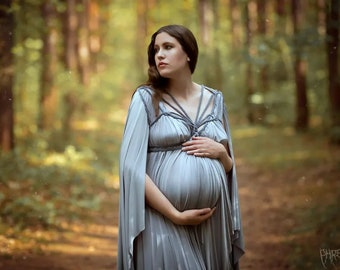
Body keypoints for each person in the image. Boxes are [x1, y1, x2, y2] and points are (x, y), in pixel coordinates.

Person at [117, 24, 244, 270]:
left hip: (212, 223)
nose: (159, 55)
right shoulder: (145, 98)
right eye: (156, 50)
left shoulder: (215, 100)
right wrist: (175, 214)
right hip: (161, 220)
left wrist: (221, 154)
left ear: (188, 53)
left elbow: (229, 167)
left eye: (168, 47)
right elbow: (131, 167)